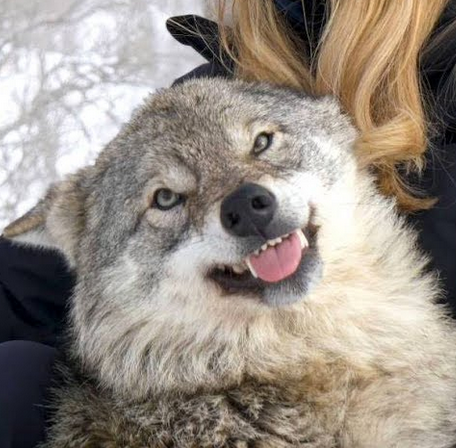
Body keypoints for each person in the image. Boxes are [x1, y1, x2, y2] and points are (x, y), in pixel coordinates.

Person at [0, 0, 455, 446]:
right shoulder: (245, 66)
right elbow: (22, 288)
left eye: (262, 144)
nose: (242, 197)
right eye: (167, 198)